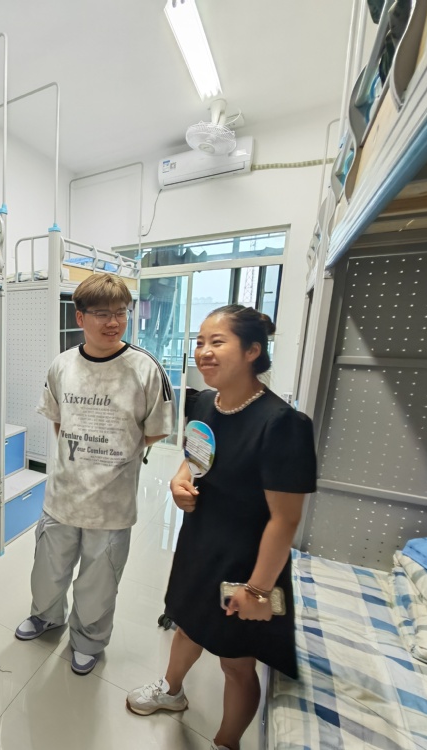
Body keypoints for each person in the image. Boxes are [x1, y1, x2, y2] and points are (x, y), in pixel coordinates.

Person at [126, 305, 317, 750]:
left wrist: (258, 590)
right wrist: (179, 482)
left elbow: (285, 519)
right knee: (186, 625)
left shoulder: (282, 424)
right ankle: (172, 691)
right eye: (199, 342)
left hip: (247, 559)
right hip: (199, 542)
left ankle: (226, 742)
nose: (204, 351)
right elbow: (194, 459)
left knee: (236, 663)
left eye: (217, 342)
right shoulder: (204, 403)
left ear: (252, 351)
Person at [14, 273, 174, 675]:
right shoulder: (62, 365)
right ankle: (46, 616)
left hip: (112, 503)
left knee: (99, 582)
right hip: (63, 495)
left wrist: (116, 455)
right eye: (102, 314)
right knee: (48, 570)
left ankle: (87, 640)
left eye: (121, 312)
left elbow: (156, 429)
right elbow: (58, 420)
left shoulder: (145, 369)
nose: (113, 322)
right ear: (80, 317)